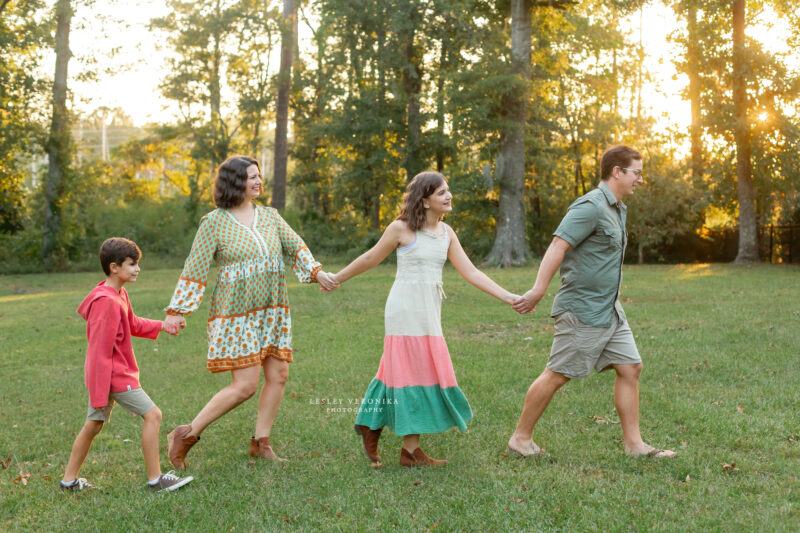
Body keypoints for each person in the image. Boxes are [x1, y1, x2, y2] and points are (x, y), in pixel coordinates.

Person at [328, 171, 518, 467]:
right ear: (425, 200)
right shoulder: (401, 229)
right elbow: (370, 258)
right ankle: (409, 449)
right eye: (441, 192)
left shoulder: (447, 234)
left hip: (429, 313)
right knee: (409, 373)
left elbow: (472, 273)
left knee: (402, 372)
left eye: (448, 190)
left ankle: (380, 430)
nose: (448, 196)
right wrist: (336, 278)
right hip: (404, 310)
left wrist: (509, 297)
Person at [163, 155, 337, 468]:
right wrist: (178, 310)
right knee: (245, 386)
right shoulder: (213, 223)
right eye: (251, 177)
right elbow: (196, 267)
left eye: (258, 176)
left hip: (271, 310)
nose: (258, 181)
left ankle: (261, 442)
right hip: (236, 314)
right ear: (234, 182)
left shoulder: (270, 216)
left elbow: (296, 247)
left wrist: (317, 273)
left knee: (279, 375)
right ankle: (186, 434)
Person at [507, 145, 676, 458]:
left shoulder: (617, 208)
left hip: (609, 309)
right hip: (582, 310)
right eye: (636, 172)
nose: (640, 179)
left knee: (631, 367)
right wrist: (538, 290)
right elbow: (558, 246)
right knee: (557, 374)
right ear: (617, 172)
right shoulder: (590, 206)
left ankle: (634, 445)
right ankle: (520, 437)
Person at [60, 238, 193, 492]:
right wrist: (100, 393)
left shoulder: (118, 293)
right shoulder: (106, 302)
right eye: (132, 264)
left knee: (93, 424)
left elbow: (131, 324)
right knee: (153, 415)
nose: (137, 269)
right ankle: (156, 479)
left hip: (110, 376)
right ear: (114, 267)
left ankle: (69, 481)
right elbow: (99, 351)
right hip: (112, 376)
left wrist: (164, 325)